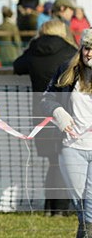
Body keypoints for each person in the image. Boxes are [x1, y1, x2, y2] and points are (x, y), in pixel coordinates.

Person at [14, 19, 78, 216]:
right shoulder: (70, 51)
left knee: (53, 161)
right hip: (66, 112)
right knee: (64, 160)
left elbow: (18, 66)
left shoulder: (34, 49)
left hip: (40, 113)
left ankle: (50, 207)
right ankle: (61, 209)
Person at [41, 28, 92, 238]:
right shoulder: (67, 69)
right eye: (86, 48)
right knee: (81, 205)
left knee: (91, 205)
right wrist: (58, 112)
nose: (89, 53)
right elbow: (46, 98)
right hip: (72, 146)